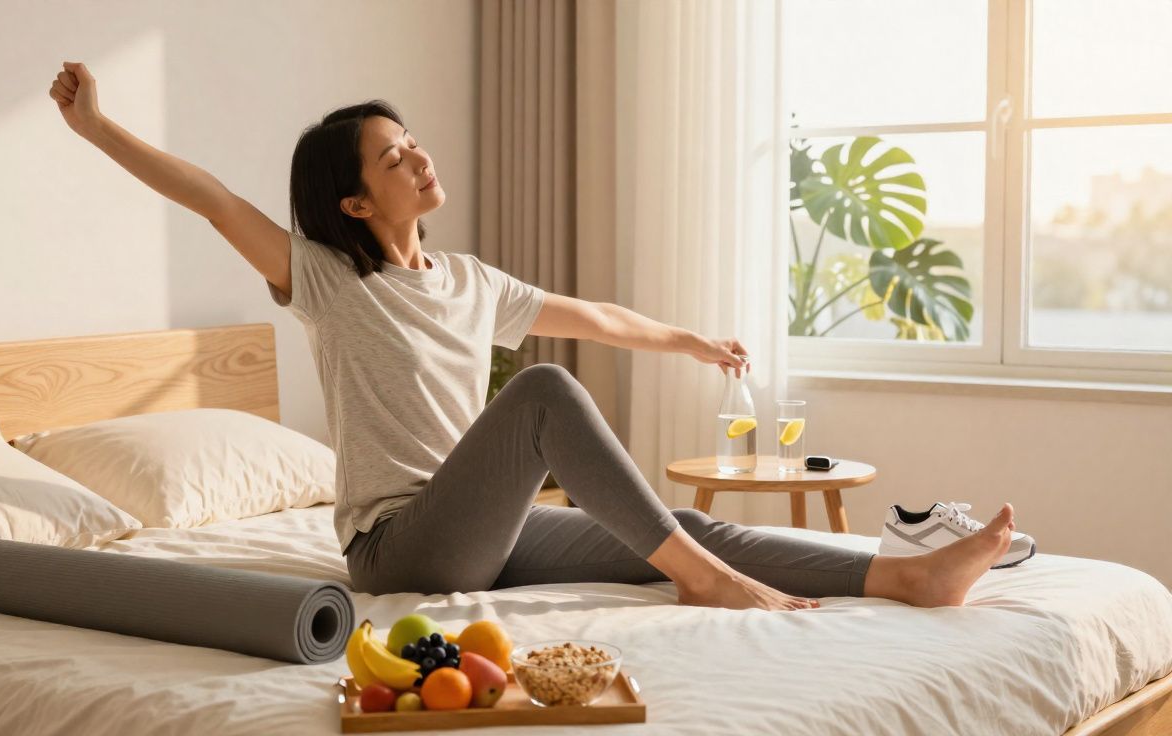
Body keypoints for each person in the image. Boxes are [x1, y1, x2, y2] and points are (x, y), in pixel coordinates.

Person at [50, 62, 1017, 612]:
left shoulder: (469, 281)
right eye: (392, 158)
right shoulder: (331, 282)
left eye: (411, 139)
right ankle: (714, 585)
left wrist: (691, 341)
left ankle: (909, 574)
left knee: (673, 525)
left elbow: (592, 317)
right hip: (400, 548)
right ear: (352, 200)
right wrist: (98, 127)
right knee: (545, 395)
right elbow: (216, 201)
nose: (417, 156)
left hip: (477, 531)